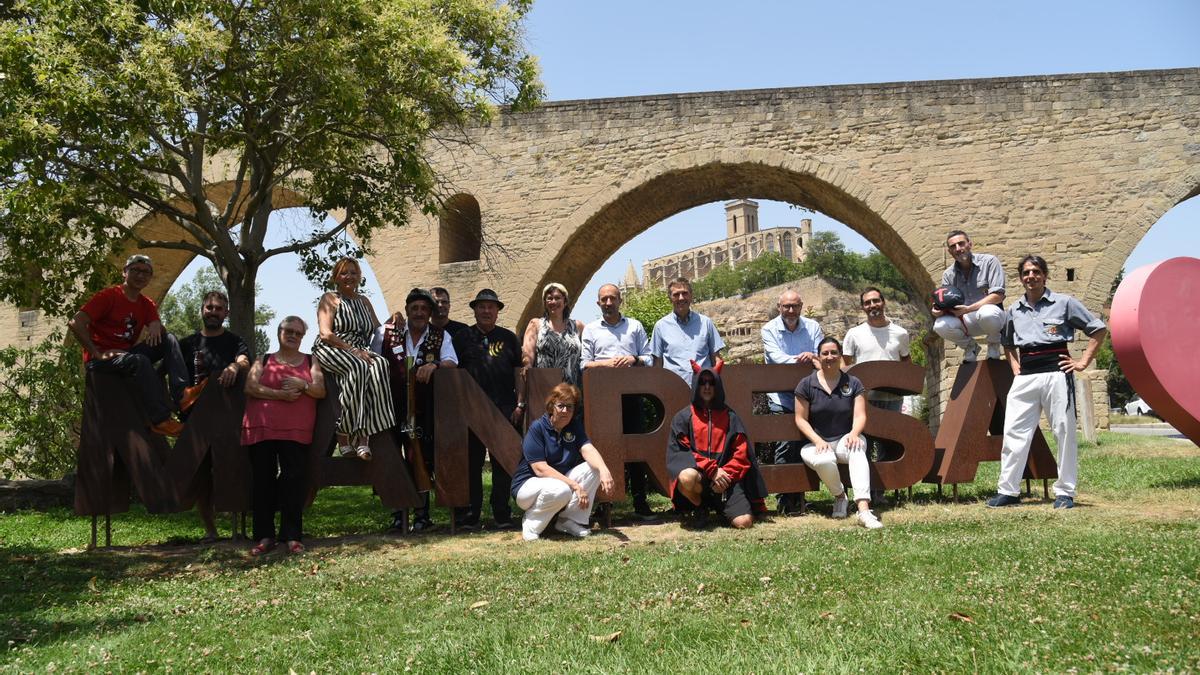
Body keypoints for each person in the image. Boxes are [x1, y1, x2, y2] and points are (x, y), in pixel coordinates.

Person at [987, 255, 1106, 510]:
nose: (1031, 276)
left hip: (1056, 371)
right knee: (1013, 433)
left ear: (1045, 275)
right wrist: (1014, 365)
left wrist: (1083, 361)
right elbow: (1007, 341)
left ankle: (1065, 492)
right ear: (1021, 278)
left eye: (1036, 271)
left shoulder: (1064, 303)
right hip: (1026, 376)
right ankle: (1008, 490)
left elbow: (1098, 329)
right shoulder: (1013, 310)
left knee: (1063, 431)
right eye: (1026, 273)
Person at [68, 254, 188, 436]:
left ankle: (182, 396)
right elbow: (75, 322)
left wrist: (156, 324)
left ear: (150, 278)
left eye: (146, 272)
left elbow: (158, 330)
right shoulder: (108, 296)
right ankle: (161, 420)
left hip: (127, 356)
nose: (140, 276)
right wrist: (97, 353)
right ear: (125, 272)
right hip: (100, 361)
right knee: (139, 360)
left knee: (169, 339)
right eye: (135, 270)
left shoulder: (147, 304)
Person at [373, 288, 458, 532]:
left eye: (424, 309)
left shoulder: (441, 335)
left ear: (430, 312)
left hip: (424, 408)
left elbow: (452, 362)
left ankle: (422, 515)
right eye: (415, 308)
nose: (419, 313)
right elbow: (373, 360)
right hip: (389, 407)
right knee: (392, 459)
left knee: (422, 459)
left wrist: (435, 364)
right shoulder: (386, 332)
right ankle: (398, 515)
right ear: (407, 309)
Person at [243, 317, 326, 556]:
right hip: (262, 428)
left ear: (302, 338)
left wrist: (302, 384)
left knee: (294, 481)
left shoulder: (311, 361)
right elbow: (250, 387)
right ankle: (264, 536)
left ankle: (292, 536)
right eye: (288, 331)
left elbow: (320, 390)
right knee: (263, 481)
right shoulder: (263, 359)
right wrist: (279, 395)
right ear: (279, 333)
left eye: (298, 333)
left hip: (296, 430)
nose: (293, 335)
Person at [177, 290, 251, 542]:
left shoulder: (234, 341)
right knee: (201, 478)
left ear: (226, 313)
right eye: (209, 307)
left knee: (232, 470)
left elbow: (244, 359)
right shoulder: (186, 344)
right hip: (195, 421)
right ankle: (211, 530)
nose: (213, 312)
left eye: (218, 308)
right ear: (202, 310)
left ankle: (236, 527)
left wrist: (234, 365)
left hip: (228, 419)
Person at [580, 283, 656, 520]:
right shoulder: (591, 329)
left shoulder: (635, 326)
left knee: (636, 449)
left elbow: (650, 359)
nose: (609, 303)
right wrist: (607, 363)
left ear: (620, 300)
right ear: (598, 303)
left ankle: (640, 503)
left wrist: (633, 359)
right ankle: (604, 504)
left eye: (613, 298)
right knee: (604, 451)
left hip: (632, 397)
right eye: (604, 299)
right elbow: (584, 364)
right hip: (603, 400)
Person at [451, 289, 524, 529]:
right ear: (474, 310)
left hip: (503, 407)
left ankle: (501, 513)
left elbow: (517, 372)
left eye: (490, 307)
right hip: (471, 410)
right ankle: (472, 514)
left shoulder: (509, 337)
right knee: (472, 463)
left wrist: (520, 403)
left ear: (497, 311)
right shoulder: (462, 337)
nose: (486, 311)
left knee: (502, 464)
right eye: (481, 306)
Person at [794, 337, 884, 529]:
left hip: (845, 440)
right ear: (818, 357)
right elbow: (800, 419)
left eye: (834, 352)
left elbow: (860, 415)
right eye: (825, 353)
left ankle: (863, 510)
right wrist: (818, 441)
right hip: (816, 443)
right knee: (823, 460)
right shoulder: (806, 384)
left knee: (858, 446)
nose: (829, 357)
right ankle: (840, 497)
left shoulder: (853, 382)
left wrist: (854, 433)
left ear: (840, 356)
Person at [312, 257, 395, 461]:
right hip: (332, 347)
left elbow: (378, 329)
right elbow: (325, 333)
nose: (349, 276)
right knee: (358, 367)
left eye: (353, 272)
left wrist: (395, 319)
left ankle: (365, 436)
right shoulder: (330, 299)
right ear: (336, 277)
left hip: (360, 350)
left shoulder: (364, 301)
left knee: (380, 365)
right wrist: (353, 351)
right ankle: (344, 434)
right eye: (344, 273)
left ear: (359, 277)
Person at [666, 360, 766, 529]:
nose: (707, 386)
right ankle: (700, 507)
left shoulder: (731, 417)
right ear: (696, 385)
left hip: (725, 481)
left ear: (717, 386)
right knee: (685, 477)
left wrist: (725, 475)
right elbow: (682, 453)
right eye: (702, 382)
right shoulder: (682, 418)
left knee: (744, 523)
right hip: (699, 479)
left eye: (711, 382)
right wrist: (712, 471)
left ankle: (721, 508)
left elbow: (741, 454)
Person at [512, 383, 615, 541]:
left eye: (570, 407)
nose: (565, 411)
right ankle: (531, 523)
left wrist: (604, 470)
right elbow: (540, 469)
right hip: (527, 487)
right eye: (561, 406)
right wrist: (574, 485)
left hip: (558, 483)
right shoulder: (537, 428)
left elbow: (588, 449)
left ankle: (568, 521)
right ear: (551, 406)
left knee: (593, 469)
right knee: (562, 490)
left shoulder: (574, 426)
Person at [843, 286, 912, 503]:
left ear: (883, 302)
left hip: (892, 398)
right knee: (863, 446)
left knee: (888, 446)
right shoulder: (854, 334)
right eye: (867, 303)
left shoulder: (900, 333)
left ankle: (880, 491)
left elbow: (906, 365)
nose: (872, 306)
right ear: (863, 307)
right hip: (865, 400)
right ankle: (864, 492)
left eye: (876, 301)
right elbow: (846, 367)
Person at [760, 288, 823, 516]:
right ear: (779, 307)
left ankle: (800, 496)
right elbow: (776, 358)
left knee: (804, 444)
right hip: (781, 397)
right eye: (786, 306)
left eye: (794, 306)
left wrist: (813, 356)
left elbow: (820, 354)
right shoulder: (768, 329)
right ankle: (784, 499)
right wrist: (803, 358)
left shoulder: (813, 327)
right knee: (786, 444)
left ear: (801, 306)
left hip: (809, 396)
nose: (790, 310)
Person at [932, 230, 1006, 361]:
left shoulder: (989, 262)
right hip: (966, 320)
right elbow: (945, 302)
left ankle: (994, 344)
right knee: (939, 325)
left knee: (986, 312)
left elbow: (997, 296)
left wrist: (968, 309)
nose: (958, 249)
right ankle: (970, 346)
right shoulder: (948, 275)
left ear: (969, 244)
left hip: (991, 317)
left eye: (961, 244)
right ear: (949, 252)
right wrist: (939, 311)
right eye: (953, 246)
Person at [651, 277, 725, 388]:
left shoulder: (706, 323)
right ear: (670, 298)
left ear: (691, 295)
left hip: (704, 390)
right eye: (676, 294)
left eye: (684, 293)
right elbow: (657, 364)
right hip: (673, 390)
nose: (681, 298)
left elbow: (716, 359)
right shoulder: (660, 326)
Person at [522, 282, 585, 387]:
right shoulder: (536, 324)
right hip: (544, 386)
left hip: (571, 390)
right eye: (549, 298)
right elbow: (528, 353)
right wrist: (527, 365)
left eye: (557, 298)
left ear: (565, 301)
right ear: (545, 303)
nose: (553, 302)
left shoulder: (578, 326)